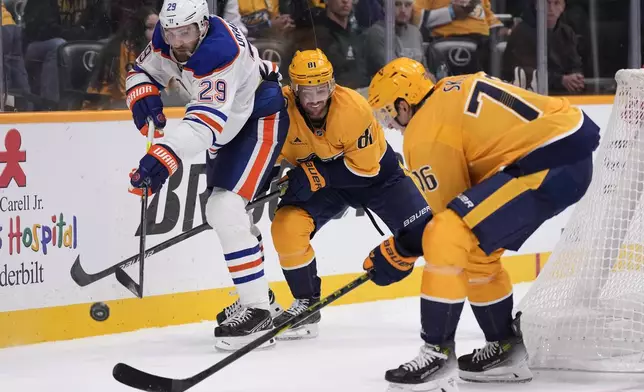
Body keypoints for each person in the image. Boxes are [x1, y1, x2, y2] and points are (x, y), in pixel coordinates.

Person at [365, 58, 600, 391]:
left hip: (549, 161)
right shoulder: (451, 88)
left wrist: (402, 249)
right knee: (474, 247)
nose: (389, 122)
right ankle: (504, 348)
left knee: (447, 235)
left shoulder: (423, 132)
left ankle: (437, 354)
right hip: (566, 152)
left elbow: (445, 219)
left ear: (404, 104)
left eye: (388, 111)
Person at [125, 0, 289, 351]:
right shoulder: (168, 38)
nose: (177, 41)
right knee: (228, 214)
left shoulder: (220, 51)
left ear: (202, 25)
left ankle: (259, 313)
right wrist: (142, 93)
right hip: (227, 125)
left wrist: (162, 157)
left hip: (258, 117)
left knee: (224, 209)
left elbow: (203, 126)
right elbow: (142, 69)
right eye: (171, 32)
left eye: (185, 32)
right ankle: (259, 297)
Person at [267, 49, 431, 340]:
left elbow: (366, 169)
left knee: (430, 235)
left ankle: (481, 302)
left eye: (321, 89)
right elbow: (266, 152)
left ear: (331, 85)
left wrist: (315, 176)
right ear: (294, 89)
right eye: (307, 91)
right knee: (285, 226)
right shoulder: (280, 109)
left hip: (380, 179)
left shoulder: (353, 108)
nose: (315, 99)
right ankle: (307, 304)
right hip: (327, 186)